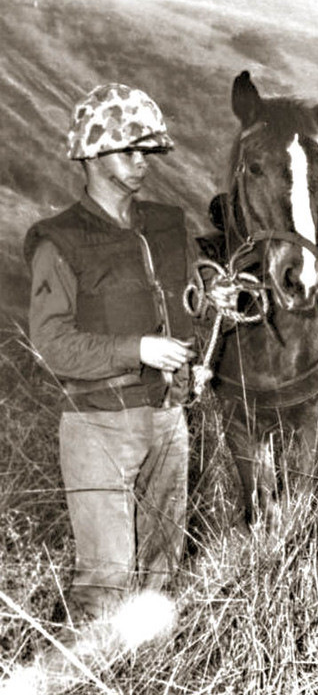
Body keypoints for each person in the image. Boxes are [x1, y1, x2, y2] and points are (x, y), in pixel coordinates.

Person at [24, 83, 197, 622]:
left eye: (148, 150)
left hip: (169, 420)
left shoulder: (168, 225)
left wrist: (210, 305)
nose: (142, 162)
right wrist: (139, 348)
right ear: (92, 155)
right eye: (129, 151)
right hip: (99, 425)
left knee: (160, 575)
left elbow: (188, 298)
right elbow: (51, 344)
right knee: (106, 582)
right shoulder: (61, 238)